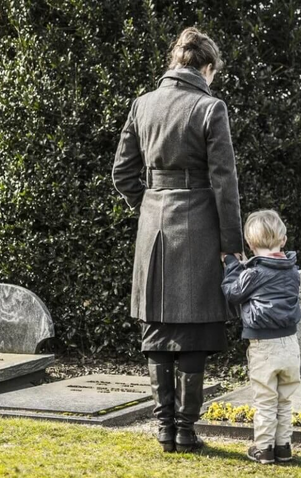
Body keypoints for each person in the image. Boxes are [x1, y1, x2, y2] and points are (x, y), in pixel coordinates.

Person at [112, 27, 243, 453]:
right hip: (200, 226)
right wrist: (232, 244)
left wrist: (150, 202)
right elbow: (224, 183)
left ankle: (165, 430)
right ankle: (186, 431)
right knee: (194, 329)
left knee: (157, 325)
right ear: (207, 67)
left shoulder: (142, 104)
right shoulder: (210, 107)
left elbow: (122, 173)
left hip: (153, 226)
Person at [221, 210, 301, 464]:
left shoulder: (254, 273)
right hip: (290, 344)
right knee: (284, 399)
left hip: (264, 345)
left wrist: (232, 265)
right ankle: (283, 447)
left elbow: (233, 292)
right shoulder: (292, 271)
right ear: (283, 240)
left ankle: (264, 448)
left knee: (265, 399)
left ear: (250, 243)